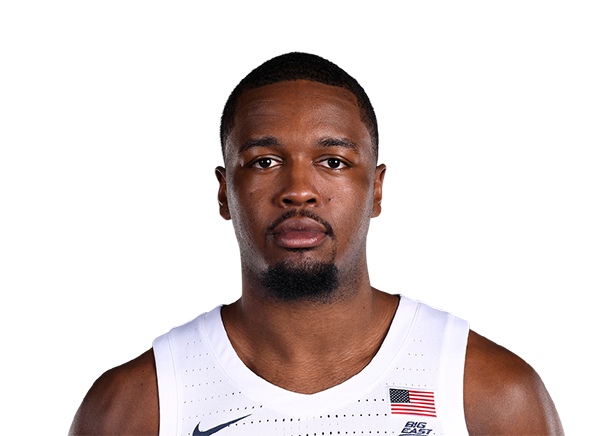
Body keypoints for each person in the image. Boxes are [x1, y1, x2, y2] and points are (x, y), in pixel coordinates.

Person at [68, 52, 563, 436]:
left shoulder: (487, 393)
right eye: (264, 161)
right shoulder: (137, 405)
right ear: (223, 193)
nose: (299, 190)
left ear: (376, 191)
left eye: (333, 162)